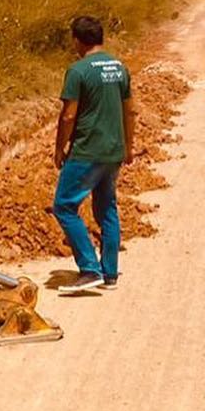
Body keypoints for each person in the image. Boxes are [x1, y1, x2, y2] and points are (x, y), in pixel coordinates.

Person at [51, 15, 134, 295]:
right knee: (107, 208)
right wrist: (129, 147)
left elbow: (68, 115)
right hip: (113, 151)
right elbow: (129, 110)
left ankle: (89, 269)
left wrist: (59, 148)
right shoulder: (120, 68)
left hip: (86, 151)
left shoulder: (78, 71)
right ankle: (110, 272)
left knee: (64, 205)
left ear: (77, 40)